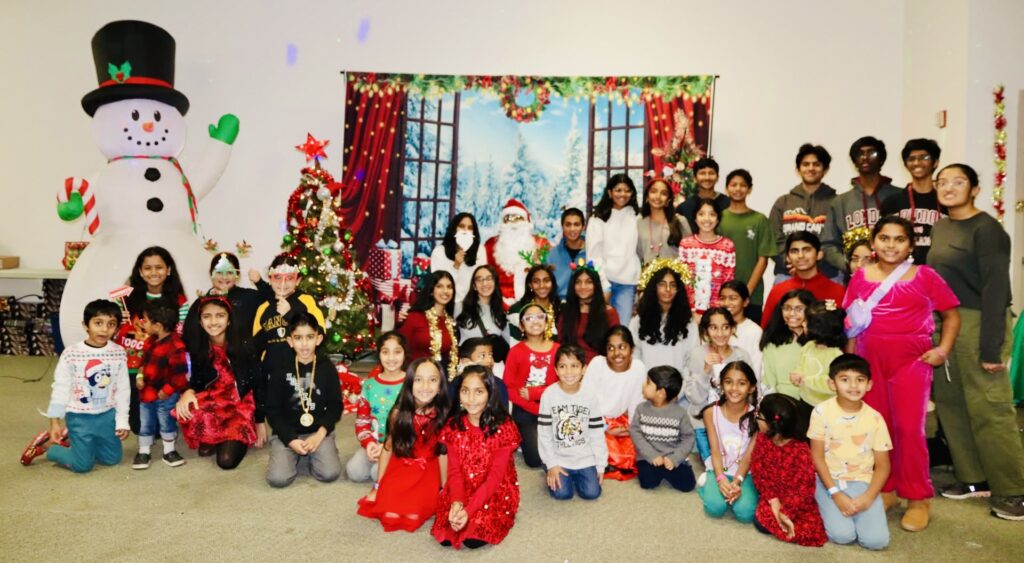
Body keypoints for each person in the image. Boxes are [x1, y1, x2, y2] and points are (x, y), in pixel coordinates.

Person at [845, 216, 961, 530]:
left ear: (911, 245)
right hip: (870, 363)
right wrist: (850, 365)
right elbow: (853, 325)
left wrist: (942, 351)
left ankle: (918, 497)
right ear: (874, 242)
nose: (891, 245)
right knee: (878, 430)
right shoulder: (859, 277)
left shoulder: (925, 276)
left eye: (899, 239)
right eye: (884, 238)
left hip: (911, 363)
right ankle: (888, 488)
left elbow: (951, 316)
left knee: (910, 429)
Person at [928, 163, 1024, 520]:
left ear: (975, 188)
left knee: (990, 409)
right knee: (952, 404)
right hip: (946, 321)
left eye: (959, 182)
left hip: (980, 320)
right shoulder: (941, 226)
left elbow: (996, 288)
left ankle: (1013, 490)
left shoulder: (987, 230)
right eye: (943, 182)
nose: (949, 187)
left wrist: (991, 347)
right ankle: (973, 477)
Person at [22, 300, 130, 471]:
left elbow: (123, 388)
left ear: (117, 328)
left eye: (111, 324)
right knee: (82, 466)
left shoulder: (118, 352)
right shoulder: (71, 354)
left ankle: (75, 441)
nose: (104, 329)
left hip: (107, 416)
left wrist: (122, 420)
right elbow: (60, 388)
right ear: (85, 325)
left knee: (112, 459)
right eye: (98, 323)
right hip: (79, 417)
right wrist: (54, 422)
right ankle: (49, 447)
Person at [809, 354, 892, 550]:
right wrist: (836, 494)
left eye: (860, 380)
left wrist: (869, 496)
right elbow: (817, 457)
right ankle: (821, 503)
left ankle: (857, 510)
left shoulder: (875, 418)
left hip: (862, 482)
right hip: (829, 482)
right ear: (832, 384)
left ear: (869, 384)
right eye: (845, 379)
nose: (853, 386)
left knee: (876, 542)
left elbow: (883, 466)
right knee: (842, 536)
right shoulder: (821, 412)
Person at [357, 358, 450, 532]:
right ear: (409, 383)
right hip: (401, 464)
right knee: (390, 513)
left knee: (413, 515)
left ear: (440, 387)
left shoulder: (443, 415)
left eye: (432, 380)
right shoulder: (398, 413)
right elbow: (387, 448)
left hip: (428, 468)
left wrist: (445, 489)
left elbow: (443, 453)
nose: (425, 386)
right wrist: (378, 485)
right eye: (418, 379)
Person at [433, 366, 521, 550]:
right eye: (465, 391)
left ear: (490, 394)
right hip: (462, 486)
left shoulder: (503, 427)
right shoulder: (454, 426)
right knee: (446, 535)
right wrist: (457, 502)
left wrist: (469, 510)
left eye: (479, 392)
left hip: (494, 491)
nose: (471, 399)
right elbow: (455, 472)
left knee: (473, 538)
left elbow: (495, 478)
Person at [175, 296, 265, 470]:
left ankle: (234, 433)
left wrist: (260, 421)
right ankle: (215, 435)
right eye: (207, 316)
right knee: (190, 411)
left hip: (239, 403)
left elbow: (258, 383)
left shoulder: (244, 346)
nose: (213, 321)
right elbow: (198, 379)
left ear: (229, 320)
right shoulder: (200, 347)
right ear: (200, 321)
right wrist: (188, 391)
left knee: (226, 461)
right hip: (214, 399)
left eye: (220, 315)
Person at [116, 246, 189, 435]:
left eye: (159, 267)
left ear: (169, 270)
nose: (154, 272)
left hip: (161, 369)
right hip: (132, 367)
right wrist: (117, 319)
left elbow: (181, 335)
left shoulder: (180, 301)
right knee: (140, 427)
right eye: (148, 268)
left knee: (159, 426)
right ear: (140, 271)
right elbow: (112, 329)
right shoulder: (125, 298)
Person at [264, 312, 342, 488]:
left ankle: (317, 451)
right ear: (290, 341)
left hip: (318, 431)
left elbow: (335, 406)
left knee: (329, 473)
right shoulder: (280, 369)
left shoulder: (327, 368)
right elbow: (273, 412)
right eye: (298, 338)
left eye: (310, 337)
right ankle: (291, 452)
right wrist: (290, 440)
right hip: (287, 432)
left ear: (319, 339)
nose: (304, 344)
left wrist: (321, 434)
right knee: (278, 480)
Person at [749, 393, 827, 547]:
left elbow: (804, 490)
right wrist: (773, 501)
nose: (756, 417)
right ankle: (782, 521)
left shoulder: (801, 451)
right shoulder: (762, 439)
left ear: (772, 424)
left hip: (796, 502)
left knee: (808, 529)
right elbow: (759, 472)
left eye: (759, 415)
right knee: (760, 520)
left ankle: (787, 522)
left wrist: (785, 513)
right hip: (773, 496)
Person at [822, 136, 903, 273]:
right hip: (854, 276)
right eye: (860, 154)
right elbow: (827, 244)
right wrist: (849, 265)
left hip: (893, 274)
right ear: (854, 161)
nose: (865, 158)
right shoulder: (840, 202)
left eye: (872, 153)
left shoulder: (899, 197)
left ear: (882, 159)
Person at [538, 344, 608, 500]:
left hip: (585, 457)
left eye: (574, 366)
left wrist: (600, 465)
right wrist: (551, 463)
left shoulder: (590, 395)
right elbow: (544, 433)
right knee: (563, 494)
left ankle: (576, 476)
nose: (569, 372)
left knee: (592, 493)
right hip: (559, 457)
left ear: (584, 369)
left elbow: (596, 432)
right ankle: (549, 470)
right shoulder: (549, 395)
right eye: (563, 366)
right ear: (556, 370)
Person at [684, 307, 752, 463]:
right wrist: (706, 371)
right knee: (713, 464)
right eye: (714, 327)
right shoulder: (697, 354)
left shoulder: (741, 356)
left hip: (735, 423)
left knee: (735, 463)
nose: (720, 333)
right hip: (703, 423)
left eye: (725, 327)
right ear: (706, 330)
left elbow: (751, 392)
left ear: (732, 328)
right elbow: (694, 398)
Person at [581, 326, 646, 480]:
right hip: (593, 421)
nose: (617, 353)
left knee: (636, 451)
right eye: (611, 348)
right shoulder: (597, 364)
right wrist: (605, 428)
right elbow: (585, 402)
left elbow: (636, 403)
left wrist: (631, 428)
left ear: (632, 349)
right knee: (603, 450)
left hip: (620, 422)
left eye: (622, 347)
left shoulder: (638, 367)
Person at [697, 361, 759, 523]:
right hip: (719, 468)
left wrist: (738, 481)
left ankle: (736, 489)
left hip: (745, 472)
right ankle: (707, 482)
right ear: (721, 385)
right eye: (728, 382)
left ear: (751, 387)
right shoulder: (711, 412)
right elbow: (715, 450)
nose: (734, 388)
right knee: (715, 508)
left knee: (746, 514)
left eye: (741, 383)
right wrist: (720, 478)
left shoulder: (757, 417)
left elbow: (749, 456)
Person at [768, 144, 839, 283]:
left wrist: (813, 267)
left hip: (828, 276)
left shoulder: (837, 202)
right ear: (798, 169)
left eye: (816, 164)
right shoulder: (783, 203)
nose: (811, 168)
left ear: (825, 169)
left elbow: (837, 242)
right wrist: (793, 263)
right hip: (787, 274)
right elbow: (774, 240)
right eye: (806, 164)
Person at [132, 301, 189, 469]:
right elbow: (142, 364)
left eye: (145, 321)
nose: (143, 324)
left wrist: (168, 390)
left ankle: (169, 450)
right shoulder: (150, 341)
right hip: (147, 394)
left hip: (166, 395)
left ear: (157, 326)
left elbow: (180, 375)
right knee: (145, 422)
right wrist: (139, 378)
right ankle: (144, 451)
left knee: (166, 422)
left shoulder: (176, 346)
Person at [346, 331, 408, 483]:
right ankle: (377, 456)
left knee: (376, 474)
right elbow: (362, 421)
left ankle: (395, 464)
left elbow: (413, 424)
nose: (391, 358)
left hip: (400, 445)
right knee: (354, 472)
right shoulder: (369, 386)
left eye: (397, 352)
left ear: (405, 354)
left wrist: (389, 447)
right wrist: (368, 444)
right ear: (378, 354)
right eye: (386, 352)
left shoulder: (410, 384)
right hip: (375, 441)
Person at [504, 302, 559, 469]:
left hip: (552, 407)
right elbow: (510, 388)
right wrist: (533, 406)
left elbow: (562, 384)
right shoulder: (516, 352)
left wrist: (535, 394)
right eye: (529, 318)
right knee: (535, 460)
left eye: (539, 317)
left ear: (547, 321)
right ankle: (522, 436)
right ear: (521, 325)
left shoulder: (558, 350)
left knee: (565, 449)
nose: (535, 321)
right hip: (525, 409)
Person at [718, 169, 777, 323]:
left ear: (749, 189)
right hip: (721, 296)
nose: (738, 189)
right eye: (733, 185)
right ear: (726, 188)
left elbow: (763, 259)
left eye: (743, 185)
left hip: (752, 296)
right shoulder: (718, 219)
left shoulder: (759, 220)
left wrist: (746, 293)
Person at [630, 366, 696, 492]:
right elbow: (635, 432)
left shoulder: (680, 413)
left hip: (672, 455)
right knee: (648, 483)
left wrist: (675, 458)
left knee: (688, 485)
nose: (643, 385)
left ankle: (668, 469)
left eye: (648, 383)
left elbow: (688, 438)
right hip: (648, 457)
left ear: (661, 393)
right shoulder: (641, 409)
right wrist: (651, 455)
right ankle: (661, 470)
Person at [252, 254, 326, 368]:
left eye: (289, 278)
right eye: (277, 277)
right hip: (271, 371)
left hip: (301, 368)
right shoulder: (263, 308)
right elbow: (256, 345)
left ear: (297, 280)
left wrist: (290, 315)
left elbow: (320, 332)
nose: (283, 283)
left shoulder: (306, 301)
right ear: (270, 279)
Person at [586, 173, 641, 323]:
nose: (622, 194)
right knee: (602, 330)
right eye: (618, 190)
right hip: (604, 282)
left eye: (627, 190)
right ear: (610, 192)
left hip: (627, 283)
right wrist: (603, 283)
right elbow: (593, 254)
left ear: (632, 193)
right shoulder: (597, 218)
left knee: (622, 328)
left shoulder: (636, 216)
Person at [880, 139, 946, 265]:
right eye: (911, 159)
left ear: (935, 162)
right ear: (905, 164)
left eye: (924, 157)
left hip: (940, 272)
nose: (917, 163)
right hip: (902, 272)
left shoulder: (947, 201)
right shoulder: (892, 202)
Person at [761, 232, 844, 329]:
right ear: (787, 257)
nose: (800, 256)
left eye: (807, 250)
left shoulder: (838, 291)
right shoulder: (778, 291)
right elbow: (766, 329)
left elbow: (846, 334)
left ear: (819, 254)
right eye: (794, 251)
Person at [183, 252, 272, 341]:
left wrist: (259, 282)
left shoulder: (248, 297)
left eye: (229, 272)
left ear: (237, 274)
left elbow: (275, 299)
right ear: (211, 273)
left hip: (243, 354)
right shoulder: (201, 302)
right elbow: (189, 334)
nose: (224, 277)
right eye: (219, 272)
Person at [629, 259, 697, 371]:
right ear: (654, 287)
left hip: (678, 385)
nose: (668, 289)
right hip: (647, 385)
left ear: (678, 289)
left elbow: (691, 358)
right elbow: (635, 355)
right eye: (662, 284)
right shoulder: (638, 321)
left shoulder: (688, 323)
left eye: (673, 285)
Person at [484, 199, 551, 308]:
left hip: (534, 304)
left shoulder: (540, 245)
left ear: (526, 222)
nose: (513, 223)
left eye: (518, 218)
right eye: (508, 218)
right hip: (498, 305)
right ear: (503, 223)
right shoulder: (490, 246)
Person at [791, 301, 846, 430]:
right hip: (805, 401)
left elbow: (832, 384)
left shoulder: (835, 355)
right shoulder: (808, 346)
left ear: (819, 328)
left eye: (806, 322)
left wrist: (806, 380)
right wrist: (796, 374)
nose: (803, 324)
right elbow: (800, 366)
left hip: (826, 407)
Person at [679, 198, 736, 315]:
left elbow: (728, 282)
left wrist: (719, 309)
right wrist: (691, 309)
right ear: (695, 218)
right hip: (690, 311)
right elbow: (684, 280)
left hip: (717, 312)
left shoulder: (727, 246)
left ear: (718, 218)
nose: (706, 219)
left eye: (712, 214)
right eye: (701, 214)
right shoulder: (685, 244)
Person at [398, 271, 458, 380]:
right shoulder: (414, 317)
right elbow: (401, 349)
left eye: (449, 287)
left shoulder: (449, 322)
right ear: (431, 291)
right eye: (439, 286)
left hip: (438, 380)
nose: (445, 291)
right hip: (414, 378)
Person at [759, 289, 815, 401]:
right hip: (780, 403)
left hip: (813, 403)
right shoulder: (773, 342)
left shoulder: (818, 343)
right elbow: (768, 382)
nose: (792, 313)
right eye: (787, 308)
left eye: (799, 309)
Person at [558, 266, 619, 363]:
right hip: (571, 368)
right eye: (578, 282)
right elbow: (561, 343)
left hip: (601, 367)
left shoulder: (609, 313)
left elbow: (614, 346)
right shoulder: (566, 311)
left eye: (588, 282)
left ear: (596, 285)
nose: (583, 286)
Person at [456, 264, 510, 362]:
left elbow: (510, 342)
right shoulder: (459, 308)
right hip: (468, 367)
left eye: (489, 278)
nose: (484, 283)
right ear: (474, 286)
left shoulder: (502, 312)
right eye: (479, 279)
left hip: (492, 367)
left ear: (495, 282)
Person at [431, 212, 486, 304]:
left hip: (472, 304)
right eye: (461, 226)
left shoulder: (480, 250)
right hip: (447, 303)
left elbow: (482, 280)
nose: (465, 230)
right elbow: (438, 286)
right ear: (454, 229)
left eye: (470, 228)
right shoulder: (439, 252)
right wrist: (456, 266)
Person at [638, 177, 691, 264]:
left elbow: (690, 253)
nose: (658, 196)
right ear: (647, 196)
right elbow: (638, 256)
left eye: (663, 193)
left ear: (668, 200)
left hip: (676, 276)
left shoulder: (680, 221)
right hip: (648, 276)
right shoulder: (640, 223)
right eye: (653, 191)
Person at [507, 264, 561, 343]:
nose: (542, 285)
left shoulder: (561, 309)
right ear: (530, 285)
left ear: (552, 284)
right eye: (536, 281)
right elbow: (514, 346)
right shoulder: (517, 311)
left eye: (546, 280)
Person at [719, 281, 763, 376]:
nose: (726, 303)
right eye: (723, 298)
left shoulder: (754, 331)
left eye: (733, 298)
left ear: (746, 302)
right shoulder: (714, 327)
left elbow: (756, 366)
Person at [676, 157, 730, 233]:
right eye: (702, 173)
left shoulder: (728, 204)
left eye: (711, 173)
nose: (707, 177)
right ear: (695, 178)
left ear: (717, 178)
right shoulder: (685, 207)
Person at [547, 208, 587, 301]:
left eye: (576, 225)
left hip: (585, 304)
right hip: (559, 304)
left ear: (583, 227)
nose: (572, 229)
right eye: (568, 225)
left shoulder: (592, 252)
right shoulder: (553, 254)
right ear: (562, 227)